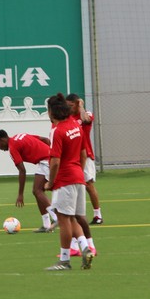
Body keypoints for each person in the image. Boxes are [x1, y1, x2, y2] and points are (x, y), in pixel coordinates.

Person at [44, 93, 93, 271]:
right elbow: (83, 153)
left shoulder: (57, 131)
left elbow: (55, 161)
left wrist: (50, 182)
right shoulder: (75, 126)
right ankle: (86, 248)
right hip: (78, 177)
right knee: (72, 219)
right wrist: (78, 171)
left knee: (64, 220)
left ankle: (64, 261)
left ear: (52, 111)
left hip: (65, 179)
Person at [0, 130, 58, 233]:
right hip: (46, 160)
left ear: (2, 140)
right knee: (37, 191)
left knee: (37, 191)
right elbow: (45, 139)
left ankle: (57, 217)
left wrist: (20, 195)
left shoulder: (12, 147)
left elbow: (22, 170)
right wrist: (53, 153)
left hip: (46, 161)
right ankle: (46, 225)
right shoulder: (20, 136)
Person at [66, 93, 103, 225]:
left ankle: (98, 215)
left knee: (88, 185)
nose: (69, 108)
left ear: (77, 104)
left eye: (71, 105)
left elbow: (86, 120)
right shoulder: (68, 117)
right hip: (72, 156)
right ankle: (75, 215)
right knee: (73, 185)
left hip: (85, 155)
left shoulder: (86, 114)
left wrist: (81, 106)